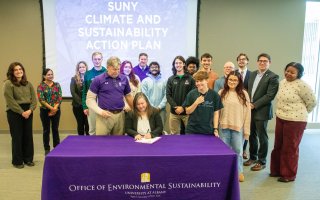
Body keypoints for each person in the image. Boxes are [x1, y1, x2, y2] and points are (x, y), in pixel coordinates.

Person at [270, 62, 316, 182]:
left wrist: (301, 113)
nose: (288, 74)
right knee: (278, 145)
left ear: (299, 74)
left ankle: (288, 175)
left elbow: (312, 102)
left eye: (292, 72)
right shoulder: (282, 83)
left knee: (290, 148)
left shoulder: (302, 85)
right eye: (287, 71)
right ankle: (276, 170)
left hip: (296, 120)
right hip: (281, 117)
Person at [244, 53, 279, 171]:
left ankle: (262, 161)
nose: (262, 63)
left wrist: (254, 105)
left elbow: (270, 96)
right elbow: (248, 90)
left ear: (269, 63)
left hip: (261, 110)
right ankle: (253, 157)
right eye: (260, 61)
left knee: (262, 136)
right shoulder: (253, 74)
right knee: (251, 134)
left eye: (265, 61)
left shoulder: (273, 77)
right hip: (250, 109)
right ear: (257, 62)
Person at [86, 56, 134, 135]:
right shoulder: (98, 79)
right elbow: (89, 99)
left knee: (118, 143)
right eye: (114, 69)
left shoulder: (124, 79)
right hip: (104, 116)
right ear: (108, 67)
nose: (117, 71)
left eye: (118, 69)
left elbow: (128, 96)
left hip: (120, 116)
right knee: (102, 143)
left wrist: (134, 110)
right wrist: (100, 111)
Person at [218, 71, 251, 182]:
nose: (232, 82)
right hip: (223, 127)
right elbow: (217, 112)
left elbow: (248, 114)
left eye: (235, 80)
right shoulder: (221, 92)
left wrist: (246, 131)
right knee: (224, 152)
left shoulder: (244, 94)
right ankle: (224, 172)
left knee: (238, 151)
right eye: (230, 80)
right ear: (227, 81)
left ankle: (239, 172)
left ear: (239, 81)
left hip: (238, 128)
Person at [3, 62, 37, 168]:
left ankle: (28, 159)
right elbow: (10, 100)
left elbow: (34, 100)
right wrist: (22, 112)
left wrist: (30, 110)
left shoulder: (28, 83)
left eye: (20, 69)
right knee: (17, 137)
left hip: (28, 112)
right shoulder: (8, 83)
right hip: (14, 112)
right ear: (12, 72)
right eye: (16, 70)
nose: (18, 71)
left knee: (28, 136)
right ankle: (17, 161)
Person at [184, 71, 223, 135]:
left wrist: (215, 129)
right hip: (192, 130)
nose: (198, 83)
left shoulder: (214, 95)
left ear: (207, 80)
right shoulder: (191, 94)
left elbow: (216, 113)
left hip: (208, 130)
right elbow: (187, 111)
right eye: (197, 81)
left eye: (201, 81)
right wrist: (196, 103)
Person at [166, 56, 195, 134]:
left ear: (184, 64)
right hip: (174, 113)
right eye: (176, 63)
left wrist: (182, 107)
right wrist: (175, 107)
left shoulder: (190, 79)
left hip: (187, 112)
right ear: (174, 65)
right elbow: (168, 95)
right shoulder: (171, 79)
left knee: (190, 134)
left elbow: (191, 95)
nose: (178, 65)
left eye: (180, 63)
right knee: (174, 134)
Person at [37, 68, 62, 155]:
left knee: (55, 129)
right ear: (44, 76)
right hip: (45, 111)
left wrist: (55, 108)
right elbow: (41, 100)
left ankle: (57, 148)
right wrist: (51, 109)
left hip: (56, 110)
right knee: (46, 130)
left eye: (51, 74)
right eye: (48, 74)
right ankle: (47, 149)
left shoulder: (57, 85)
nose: (50, 76)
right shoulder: (40, 86)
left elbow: (59, 97)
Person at [82, 52, 106, 135]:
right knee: (92, 130)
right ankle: (93, 147)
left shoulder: (107, 72)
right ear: (92, 60)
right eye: (95, 59)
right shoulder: (88, 74)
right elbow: (85, 92)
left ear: (102, 59)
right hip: (92, 105)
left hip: (104, 105)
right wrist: (85, 106)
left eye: (99, 59)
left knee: (104, 129)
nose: (97, 61)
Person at [141, 61, 167, 127]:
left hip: (161, 110)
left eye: (156, 67)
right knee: (149, 129)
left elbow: (166, 95)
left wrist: (159, 107)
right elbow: (144, 96)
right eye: (152, 67)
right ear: (149, 69)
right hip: (148, 110)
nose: (154, 69)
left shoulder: (164, 81)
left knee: (160, 129)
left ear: (159, 69)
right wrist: (151, 107)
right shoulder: (145, 81)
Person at [236, 53, 251, 159]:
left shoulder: (252, 74)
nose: (241, 61)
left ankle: (244, 149)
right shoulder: (234, 73)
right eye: (239, 59)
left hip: (247, 105)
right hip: (236, 106)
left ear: (247, 61)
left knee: (246, 127)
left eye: (244, 59)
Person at [70, 61, 89, 135]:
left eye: (83, 67)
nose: (82, 68)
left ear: (86, 67)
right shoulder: (74, 79)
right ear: (78, 69)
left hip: (88, 106)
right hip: (77, 106)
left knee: (88, 125)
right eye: (80, 67)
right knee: (80, 125)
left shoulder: (89, 78)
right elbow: (73, 92)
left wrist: (86, 104)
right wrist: (82, 103)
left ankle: (89, 143)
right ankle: (81, 143)